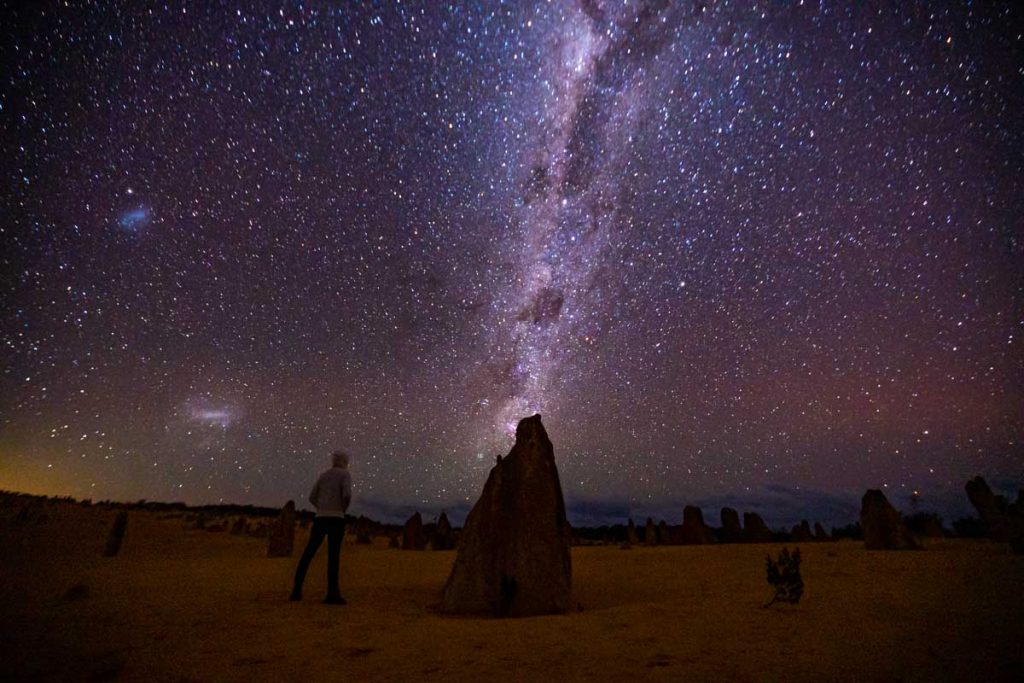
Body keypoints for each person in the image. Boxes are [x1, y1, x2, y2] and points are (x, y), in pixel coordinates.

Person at [290, 450, 352, 604]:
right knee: (333, 556)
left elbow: (312, 497)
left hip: (320, 518)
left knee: (309, 552)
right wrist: (342, 509)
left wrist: (321, 508)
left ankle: (296, 590)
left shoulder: (323, 476)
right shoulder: (344, 475)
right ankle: (332, 593)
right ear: (345, 462)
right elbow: (347, 494)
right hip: (336, 518)